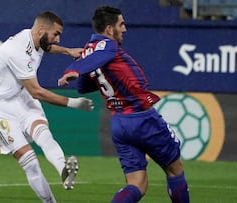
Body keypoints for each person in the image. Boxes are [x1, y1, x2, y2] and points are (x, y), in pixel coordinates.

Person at [58, 6, 189, 203]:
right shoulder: (107, 46)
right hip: (142, 118)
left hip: (120, 124)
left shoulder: (88, 51)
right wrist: (74, 69)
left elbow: (83, 87)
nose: (125, 29)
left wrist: (83, 66)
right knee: (174, 169)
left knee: (137, 184)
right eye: (121, 24)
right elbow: (100, 58)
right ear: (109, 29)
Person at [0, 11, 94, 203]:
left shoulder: (33, 37)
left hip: (21, 96)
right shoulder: (16, 51)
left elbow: (45, 48)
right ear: (42, 29)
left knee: (43, 134)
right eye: (56, 34)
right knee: (30, 163)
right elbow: (37, 92)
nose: (57, 39)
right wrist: (74, 103)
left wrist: (67, 51)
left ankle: (63, 170)